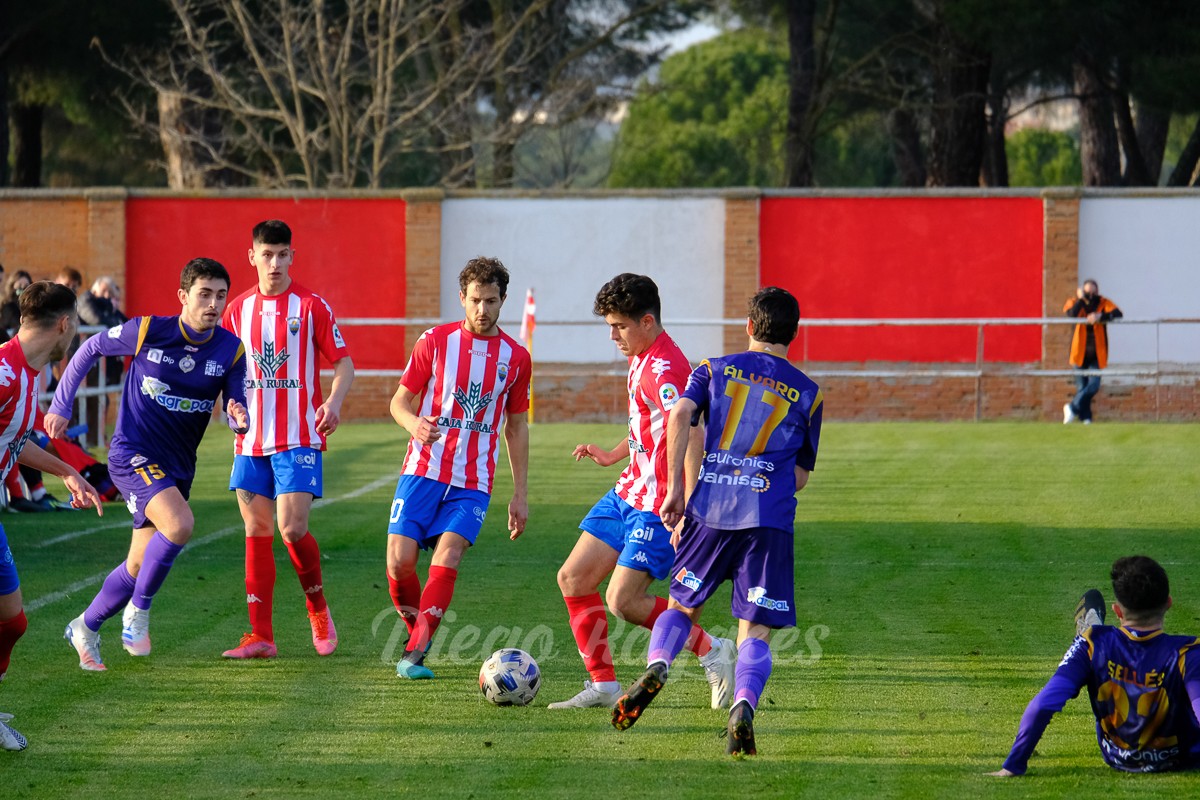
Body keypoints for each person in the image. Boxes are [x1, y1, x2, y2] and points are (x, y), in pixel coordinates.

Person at [610, 287, 822, 756]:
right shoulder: (809, 393)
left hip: (709, 510)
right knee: (755, 629)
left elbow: (681, 413)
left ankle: (660, 664)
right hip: (768, 521)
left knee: (683, 610)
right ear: (794, 334)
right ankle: (743, 703)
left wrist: (676, 492)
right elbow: (801, 476)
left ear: (749, 326)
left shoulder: (712, 369)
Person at [548, 273, 734, 710]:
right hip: (628, 491)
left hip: (658, 506)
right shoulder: (641, 355)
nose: (613, 335)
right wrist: (614, 455)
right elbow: (648, 427)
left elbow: (692, 431)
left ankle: (712, 650)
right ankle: (604, 685)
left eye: (619, 326)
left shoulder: (667, 369)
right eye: (609, 326)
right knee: (573, 578)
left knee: (623, 600)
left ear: (647, 321)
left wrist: (684, 502)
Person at [52, 258, 249, 671]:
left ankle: (84, 626)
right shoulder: (148, 330)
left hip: (177, 466)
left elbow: (235, 405)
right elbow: (90, 347)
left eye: (220, 295)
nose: (213, 303)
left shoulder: (231, 350)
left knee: (138, 563)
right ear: (183, 296)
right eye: (204, 294)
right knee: (179, 524)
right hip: (132, 453)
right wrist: (60, 402)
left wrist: (237, 416)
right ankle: (137, 615)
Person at [387, 257, 531, 679]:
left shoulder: (516, 358)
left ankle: (414, 656)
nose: (482, 309)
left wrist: (520, 493)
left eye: (491, 300)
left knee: (448, 556)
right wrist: (415, 424)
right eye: (474, 300)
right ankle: (420, 630)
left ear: (503, 300)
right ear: (461, 298)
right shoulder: (434, 341)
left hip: (474, 481)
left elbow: (517, 426)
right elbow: (399, 402)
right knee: (399, 563)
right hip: (422, 470)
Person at [221, 220, 354, 659]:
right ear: (252, 256)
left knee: (292, 528)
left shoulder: (311, 306)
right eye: (266, 254)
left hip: (299, 436)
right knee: (256, 530)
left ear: (292, 257)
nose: (274, 263)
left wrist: (333, 403)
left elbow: (344, 364)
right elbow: (223, 369)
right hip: (250, 439)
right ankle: (260, 636)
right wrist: (228, 406)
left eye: (282, 255)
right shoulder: (237, 310)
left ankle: (318, 608)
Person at [0, 282, 104, 751]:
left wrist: (68, 471)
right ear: (64, 324)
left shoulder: (33, 374)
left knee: (13, 623)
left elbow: (16, 442)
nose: (76, 334)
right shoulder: (3, 372)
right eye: (76, 325)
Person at [990, 555, 1200, 776]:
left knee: (1094, 645)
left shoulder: (1091, 644)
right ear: (1169, 603)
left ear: (1117, 611)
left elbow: (1042, 705)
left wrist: (1012, 766)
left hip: (1118, 758)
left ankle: (1095, 642)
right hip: (1182, 760)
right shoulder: (1188, 652)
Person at [77, 276, 129, 440]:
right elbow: (98, 321)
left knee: (99, 401)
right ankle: (87, 440)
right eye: (104, 291)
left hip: (97, 365)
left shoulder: (105, 307)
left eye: (110, 294)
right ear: (94, 290)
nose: (106, 296)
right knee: (86, 402)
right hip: (81, 361)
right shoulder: (86, 301)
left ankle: (96, 439)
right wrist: (114, 322)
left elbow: (125, 325)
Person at [1063, 279, 1122, 425]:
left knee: (1094, 385)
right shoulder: (1074, 301)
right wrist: (1081, 300)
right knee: (1082, 387)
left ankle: (1071, 407)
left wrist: (1100, 316)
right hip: (1079, 352)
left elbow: (1118, 313)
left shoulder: (1103, 302)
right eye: (1087, 292)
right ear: (1082, 291)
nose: (1090, 295)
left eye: (1093, 292)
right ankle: (1086, 418)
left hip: (1096, 354)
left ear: (1097, 291)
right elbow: (1071, 314)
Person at [0, 270, 32, 342]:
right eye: (20, 285)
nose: (23, 288)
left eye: (26, 286)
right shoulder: (8, 306)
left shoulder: (31, 307)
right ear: (12, 286)